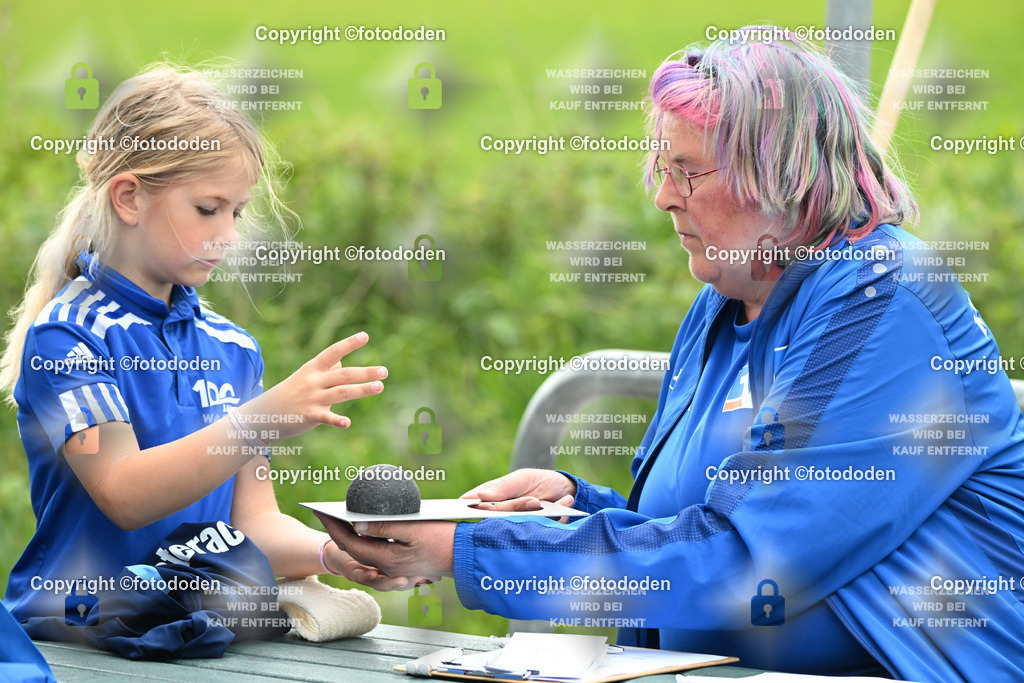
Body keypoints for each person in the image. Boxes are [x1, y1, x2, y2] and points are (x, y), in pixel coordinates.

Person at [317, 28, 1024, 681]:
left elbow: (748, 562)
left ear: (778, 177)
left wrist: (465, 550)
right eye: (661, 165)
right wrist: (567, 507)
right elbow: (703, 519)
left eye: (687, 172)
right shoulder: (727, 294)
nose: (662, 197)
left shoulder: (883, 300)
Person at [1, 64, 426, 625]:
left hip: (189, 632)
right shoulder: (68, 335)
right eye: (207, 209)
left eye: (237, 212)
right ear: (129, 198)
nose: (227, 234)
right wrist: (258, 421)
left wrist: (336, 555)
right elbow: (123, 493)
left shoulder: (233, 347)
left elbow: (251, 527)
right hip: (78, 636)